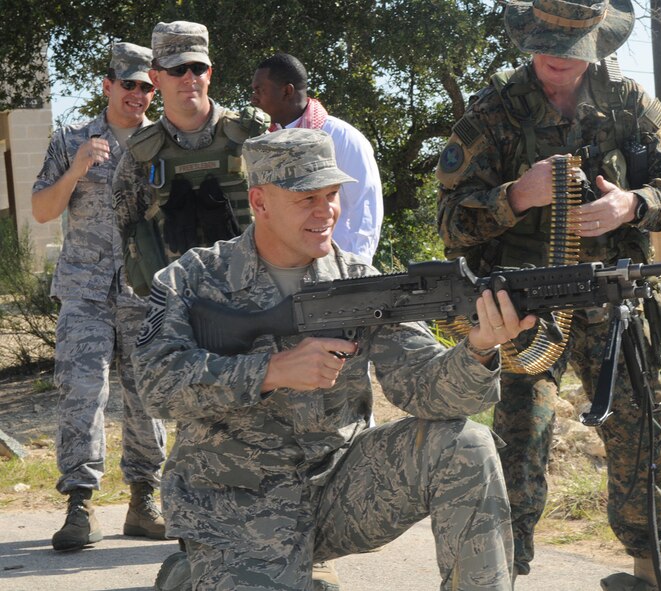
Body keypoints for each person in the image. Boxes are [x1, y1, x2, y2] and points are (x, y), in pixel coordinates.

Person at [135, 127, 532, 590]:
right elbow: (156, 385)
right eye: (307, 199)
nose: (326, 212)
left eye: (332, 195)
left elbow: (426, 389)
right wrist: (270, 372)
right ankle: (193, 575)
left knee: (467, 444)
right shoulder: (193, 278)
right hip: (233, 504)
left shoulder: (359, 282)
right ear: (260, 202)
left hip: (339, 489)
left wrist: (480, 347)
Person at [435, 1, 661, 590]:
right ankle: (497, 573)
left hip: (615, 299)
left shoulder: (629, 102)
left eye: (571, 46)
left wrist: (631, 204)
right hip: (524, 310)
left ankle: (653, 566)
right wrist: (517, 197)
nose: (558, 58)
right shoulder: (493, 111)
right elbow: (450, 222)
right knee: (520, 437)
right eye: (546, 42)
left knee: (643, 425)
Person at [31, 42, 167, 552]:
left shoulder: (163, 143)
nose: (137, 94)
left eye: (146, 86)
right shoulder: (71, 139)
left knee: (147, 396)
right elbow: (43, 210)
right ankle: (80, 506)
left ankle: (143, 501)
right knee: (81, 393)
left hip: (144, 292)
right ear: (107, 86)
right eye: (127, 84)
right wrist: (77, 169)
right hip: (84, 291)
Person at [113, 20, 269, 298]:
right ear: (156, 78)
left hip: (256, 296)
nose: (189, 78)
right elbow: (128, 234)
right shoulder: (139, 155)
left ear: (209, 73)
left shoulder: (253, 138)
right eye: (177, 69)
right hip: (179, 305)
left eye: (197, 68)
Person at [251, 53, 383, 264]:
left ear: (287, 91)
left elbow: (365, 207)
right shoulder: (264, 142)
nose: (253, 98)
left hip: (335, 270)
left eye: (260, 90)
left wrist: (356, 269)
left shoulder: (341, 137)